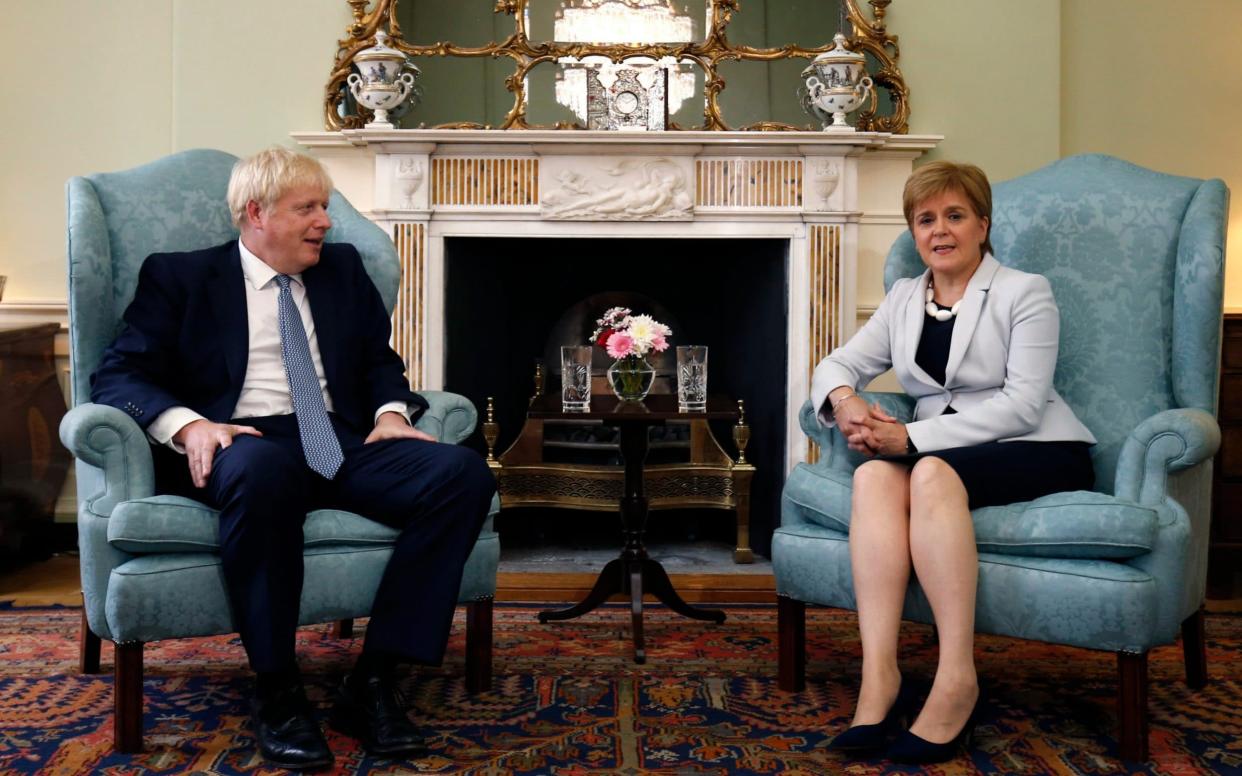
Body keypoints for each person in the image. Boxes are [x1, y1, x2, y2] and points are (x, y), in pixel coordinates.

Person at [91, 147, 495, 770]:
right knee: (263, 470)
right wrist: (190, 425)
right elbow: (118, 374)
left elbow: (377, 364)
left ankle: (376, 678)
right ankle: (277, 688)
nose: (325, 222)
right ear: (256, 214)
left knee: (461, 473)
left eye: (325, 207)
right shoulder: (180, 277)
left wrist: (391, 415)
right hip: (241, 442)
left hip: (338, 440)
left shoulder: (342, 271)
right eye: (307, 208)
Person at [808, 161, 1096, 764]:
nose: (940, 230)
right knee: (872, 477)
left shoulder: (1024, 291)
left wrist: (911, 438)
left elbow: (1022, 406)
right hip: (947, 447)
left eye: (955, 216)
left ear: (982, 224)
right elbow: (834, 365)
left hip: (1039, 449)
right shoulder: (904, 298)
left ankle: (957, 678)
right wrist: (847, 400)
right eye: (926, 219)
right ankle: (880, 675)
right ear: (914, 233)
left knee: (930, 470)